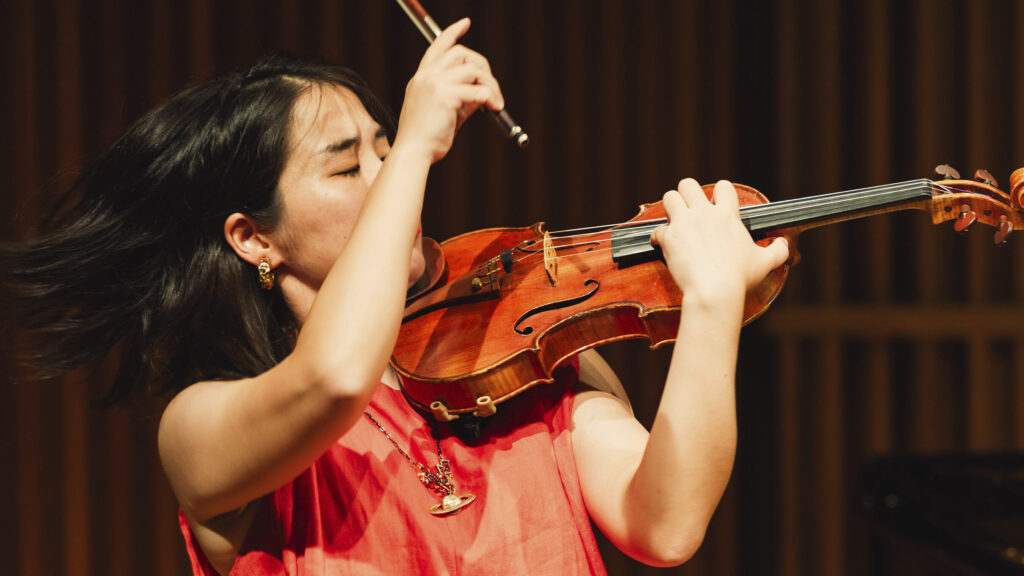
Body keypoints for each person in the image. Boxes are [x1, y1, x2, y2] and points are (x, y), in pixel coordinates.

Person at [2, 18, 788, 576]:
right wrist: (412, 144)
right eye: (348, 168)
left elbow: (667, 525)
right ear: (253, 239)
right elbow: (337, 377)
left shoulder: (522, 365)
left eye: (387, 146)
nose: (392, 180)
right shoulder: (202, 425)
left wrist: (713, 311)